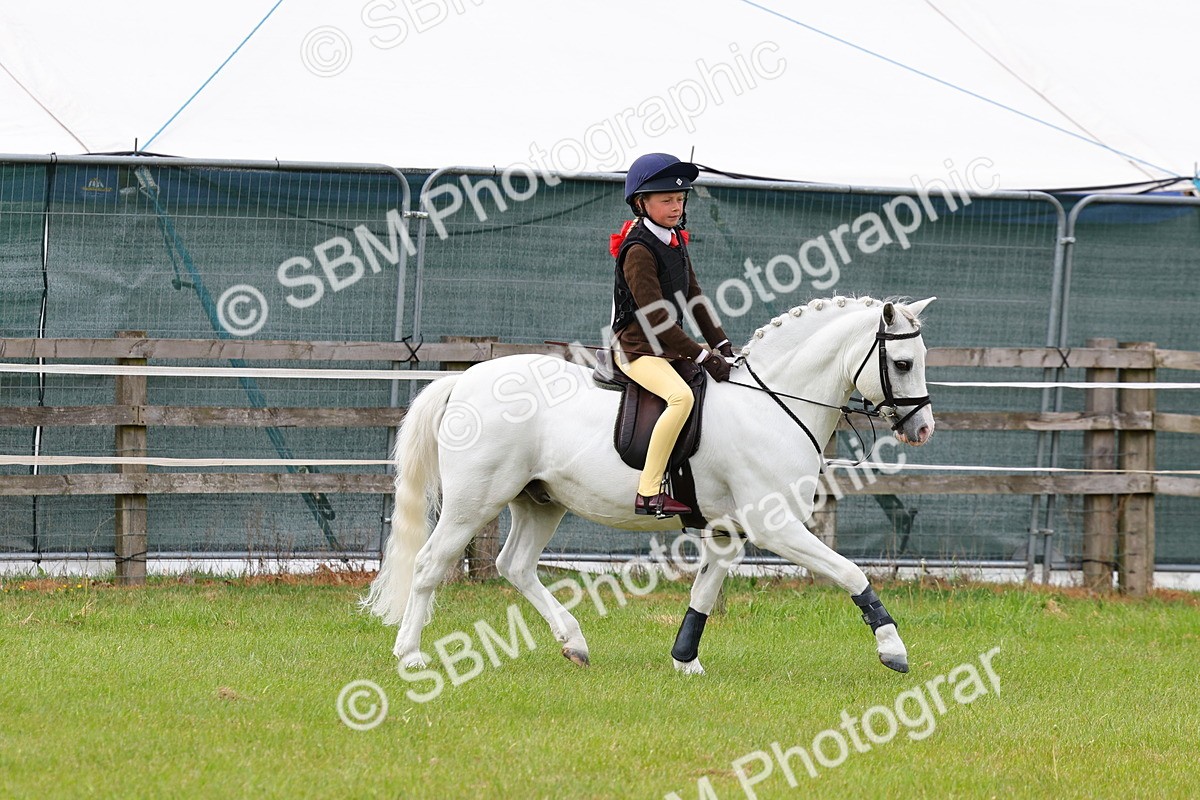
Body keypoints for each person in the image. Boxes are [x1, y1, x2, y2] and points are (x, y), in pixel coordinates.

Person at [609, 153, 733, 517]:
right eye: (666, 200)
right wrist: (703, 356)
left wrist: (722, 344)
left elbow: (694, 296)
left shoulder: (675, 238)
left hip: (665, 346)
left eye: (680, 199)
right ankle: (648, 492)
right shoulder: (638, 250)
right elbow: (657, 320)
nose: (676, 207)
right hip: (637, 349)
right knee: (681, 398)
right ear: (641, 203)